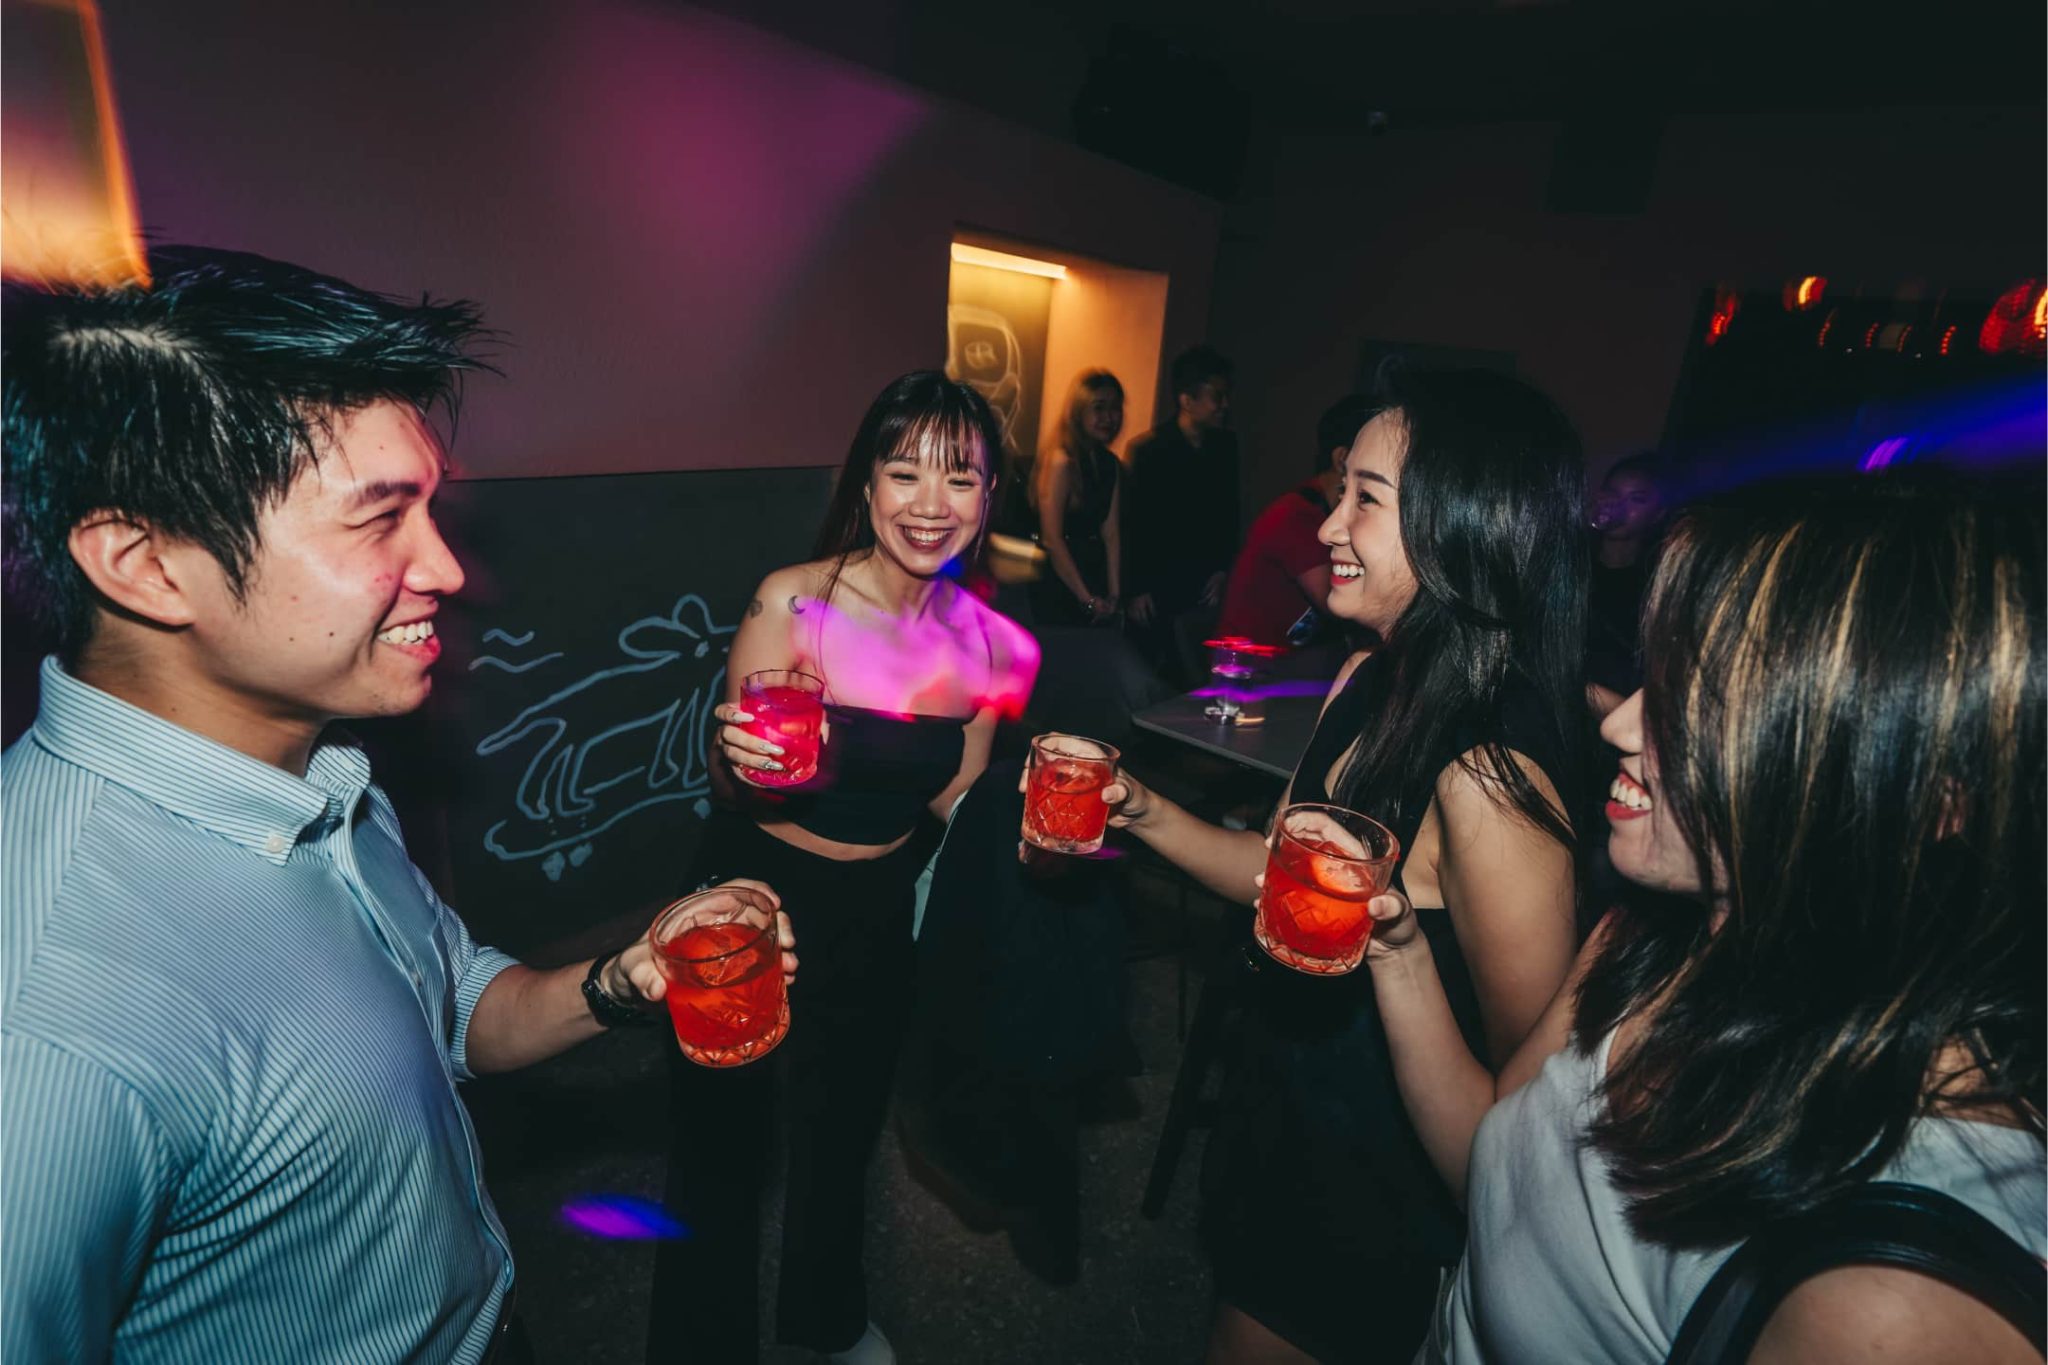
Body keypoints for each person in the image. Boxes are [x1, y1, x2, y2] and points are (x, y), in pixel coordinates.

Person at [0, 247, 795, 1364]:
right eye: (379, 520)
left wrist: (624, 979)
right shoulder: (48, 1024)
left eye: (429, 507)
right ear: (147, 565)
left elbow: (451, 1006)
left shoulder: (322, 774)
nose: (446, 569)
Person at [1360, 475, 2045, 1363]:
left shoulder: (1896, 1303)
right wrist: (1399, 952)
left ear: (1919, 793)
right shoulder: (1652, 937)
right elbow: (1487, 1173)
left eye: (1704, 698)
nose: (1621, 723)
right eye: (1655, 674)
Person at [1076, 368, 1588, 1363]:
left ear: (1460, 526)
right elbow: (1272, 869)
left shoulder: (1490, 775)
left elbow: (1517, 1123)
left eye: (1365, 498)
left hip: (1373, 1187)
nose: (1325, 526)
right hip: (1286, 1111)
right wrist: (1139, 808)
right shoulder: (1364, 675)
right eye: (1337, 489)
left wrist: (1397, 955)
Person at [650, 370, 1039, 1365]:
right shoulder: (794, 599)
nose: (929, 503)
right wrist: (733, 756)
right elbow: (734, 788)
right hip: (754, 890)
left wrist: (1029, 830)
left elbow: (956, 795)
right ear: (866, 485)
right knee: (720, 1146)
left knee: (842, 1133)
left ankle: (824, 1321)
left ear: (989, 496)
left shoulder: (997, 647)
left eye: (959, 478)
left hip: (877, 904)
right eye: (904, 472)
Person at [1216, 392, 1378, 651]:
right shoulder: (1297, 516)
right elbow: (1334, 603)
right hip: (1249, 666)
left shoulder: (1316, 508)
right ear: (1342, 459)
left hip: (1288, 661)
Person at [1123, 343, 1240, 676]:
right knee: (1147, 669)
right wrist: (1136, 589)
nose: (1224, 405)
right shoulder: (1148, 449)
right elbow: (1133, 523)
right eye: (1217, 396)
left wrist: (1222, 569)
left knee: (1191, 672)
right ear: (1187, 400)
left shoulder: (1226, 447)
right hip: (1157, 583)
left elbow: (1230, 512)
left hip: (1202, 584)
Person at [1030, 368, 1126, 628]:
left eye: (1115, 408)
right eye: (1099, 408)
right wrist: (1086, 598)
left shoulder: (1110, 463)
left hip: (1093, 575)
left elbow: (1111, 533)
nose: (1109, 417)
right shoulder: (1062, 461)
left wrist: (1115, 593)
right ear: (1079, 411)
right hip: (1061, 580)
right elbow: (1052, 539)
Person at [1584, 451, 1668, 717]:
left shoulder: (1657, 584)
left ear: (1657, 514)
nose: (1619, 505)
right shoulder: (1573, 566)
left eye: (1636, 499)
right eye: (1613, 493)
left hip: (1623, 719)